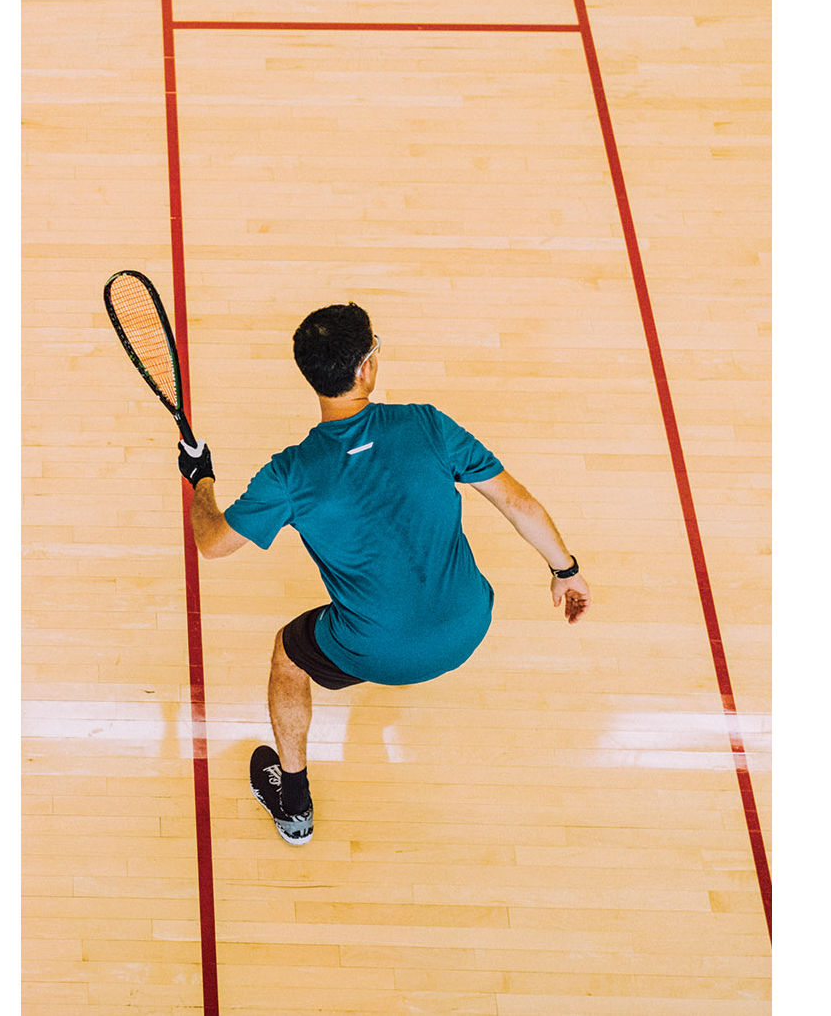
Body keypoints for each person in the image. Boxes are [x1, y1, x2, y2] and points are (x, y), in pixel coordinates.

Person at [178, 302, 590, 845]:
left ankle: (293, 803)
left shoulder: (291, 473)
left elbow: (211, 543)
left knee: (288, 654)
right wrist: (566, 570)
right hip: (471, 621)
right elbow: (519, 504)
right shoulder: (429, 424)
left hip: (380, 651)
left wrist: (200, 480)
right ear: (366, 368)